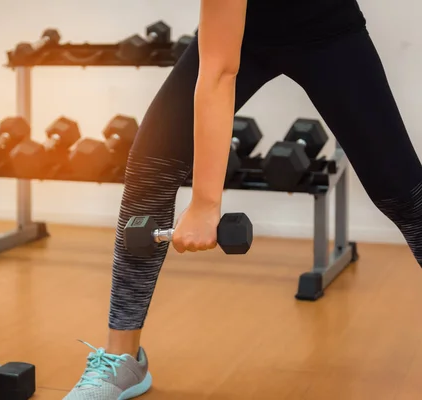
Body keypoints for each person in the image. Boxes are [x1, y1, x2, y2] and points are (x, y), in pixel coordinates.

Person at [64, 0, 422, 399]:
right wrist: (204, 201)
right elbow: (219, 68)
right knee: (152, 165)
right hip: (243, 34)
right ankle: (122, 360)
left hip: (328, 28)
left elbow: (219, 75)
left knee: (403, 190)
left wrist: (204, 205)